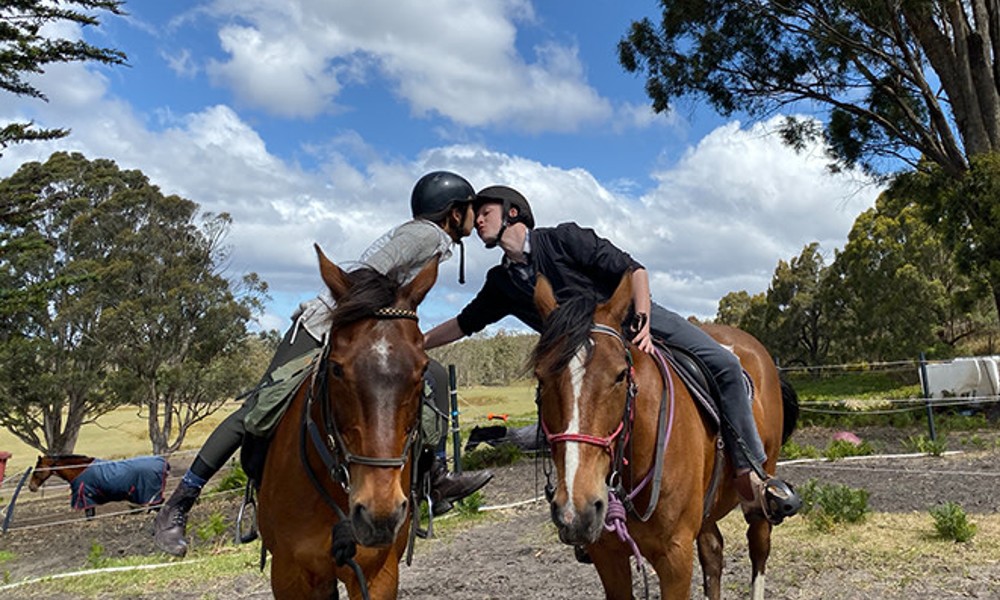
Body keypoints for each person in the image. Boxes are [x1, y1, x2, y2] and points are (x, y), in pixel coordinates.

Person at [154, 171, 494, 557]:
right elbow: (368, 270)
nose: (475, 216)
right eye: (470, 209)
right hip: (322, 327)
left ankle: (433, 477)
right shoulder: (426, 235)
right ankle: (179, 504)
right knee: (258, 410)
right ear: (453, 212)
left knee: (426, 375)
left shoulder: (435, 240)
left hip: (363, 328)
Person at [424, 184, 801, 525]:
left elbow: (634, 270)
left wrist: (644, 323)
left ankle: (753, 475)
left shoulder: (563, 239)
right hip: (586, 366)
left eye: (485, 211)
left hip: (634, 323)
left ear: (512, 212)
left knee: (727, 365)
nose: (478, 220)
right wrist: (415, 342)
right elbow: (463, 323)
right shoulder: (500, 283)